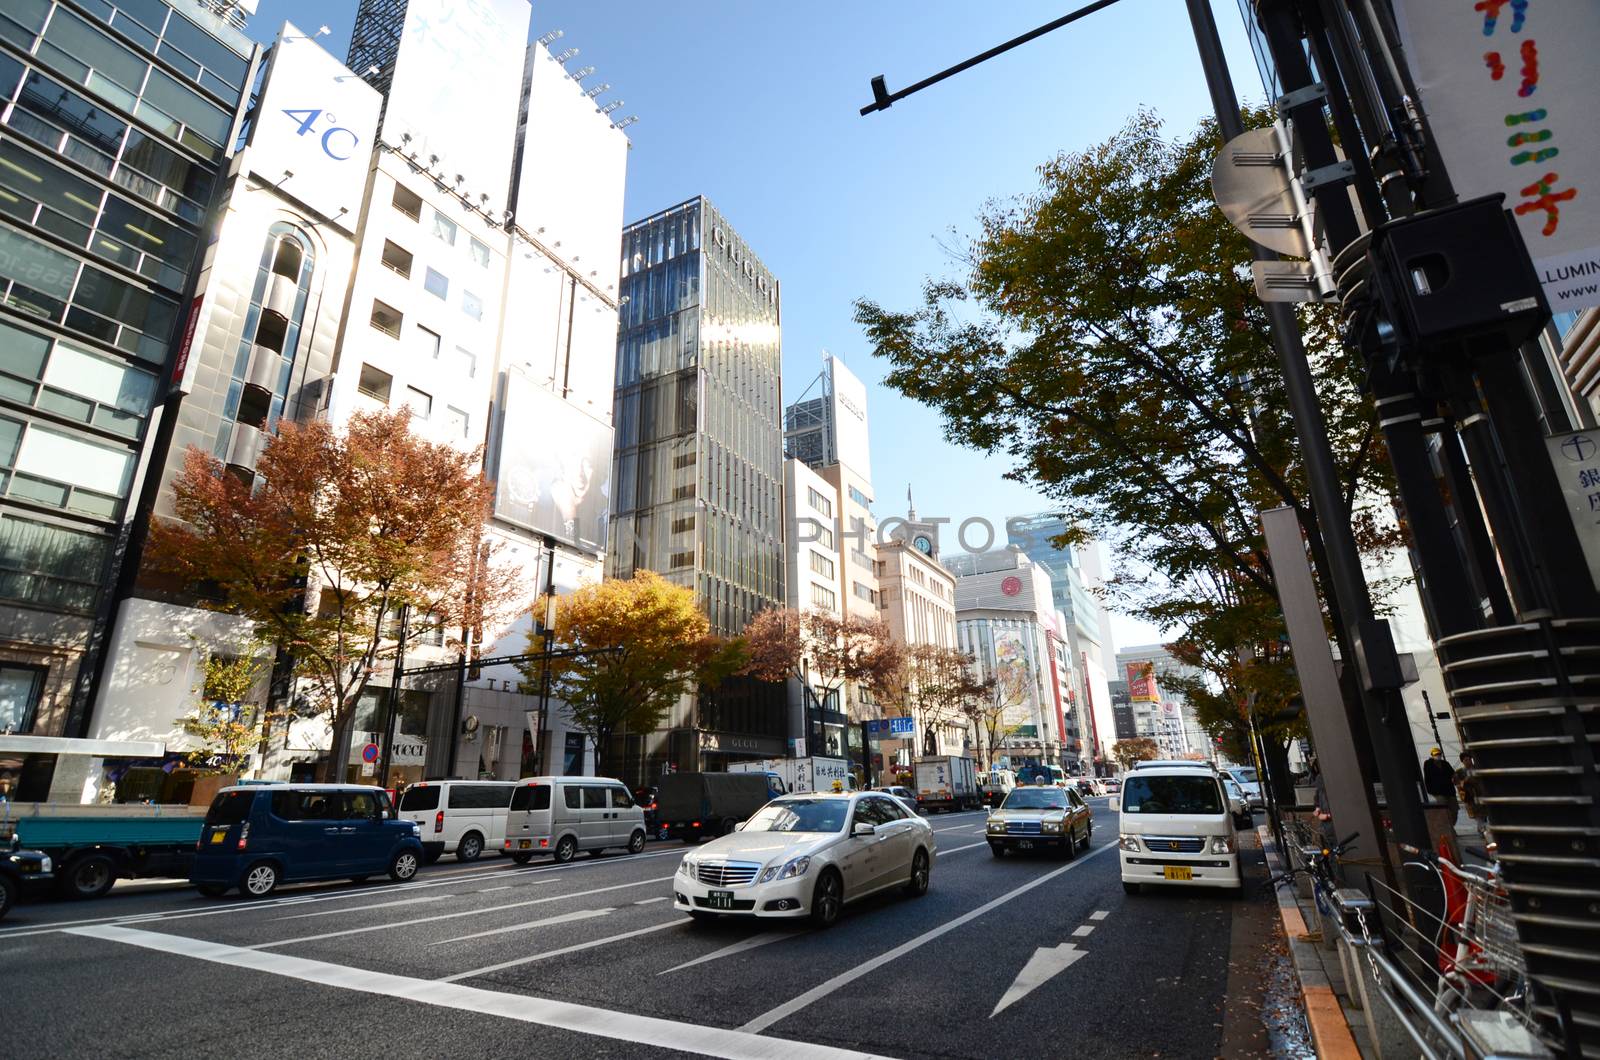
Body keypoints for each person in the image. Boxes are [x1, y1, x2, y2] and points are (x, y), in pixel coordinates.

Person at [1422, 746, 1459, 819]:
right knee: (1443, 807)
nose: (1437, 756)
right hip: (1437, 791)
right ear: (1432, 756)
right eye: (1435, 755)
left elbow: (1453, 774)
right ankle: (1445, 825)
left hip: (1449, 790)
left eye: (1439, 754)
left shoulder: (1445, 764)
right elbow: (1427, 776)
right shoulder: (1428, 764)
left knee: (1454, 810)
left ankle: (1451, 825)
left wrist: (1456, 780)